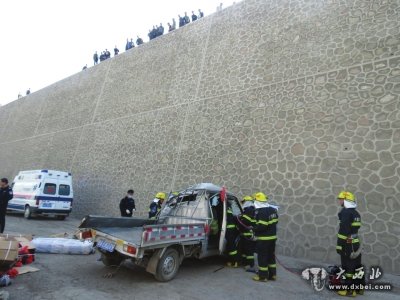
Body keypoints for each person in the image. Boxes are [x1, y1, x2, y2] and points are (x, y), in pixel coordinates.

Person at [336, 191, 364, 296]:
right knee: (357, 266)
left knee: (348, 267)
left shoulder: (346, 213)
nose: (339, 201)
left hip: (347, 244)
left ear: (346, 200)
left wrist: (339, 245)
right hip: (355, 243)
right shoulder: (356, 213)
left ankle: (349, 291)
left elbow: (343, 231)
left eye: (341, 199)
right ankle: (359, 288)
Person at [252, 192, 278, 282]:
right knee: (271, 256)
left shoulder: (262, 212)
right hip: (272, 238)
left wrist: (253, 229)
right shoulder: (272, 209)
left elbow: (262, 226)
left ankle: (263, 277)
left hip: (264, 239)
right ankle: (272, 275)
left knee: (262, 257)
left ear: (257, 201)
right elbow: (275, 222)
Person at [237, 196, 256, 271]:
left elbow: (245, 222)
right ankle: (245, 263)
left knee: (249, 250)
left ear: (247, 202)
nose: (243, 203)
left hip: (248, 234)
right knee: (245, 250)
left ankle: (250, 264)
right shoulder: (251, 209)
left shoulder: (249, 210)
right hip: (247, 234)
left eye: (244, 202)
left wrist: (239, 221)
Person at [225, 202, 239, 268]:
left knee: (231, 246)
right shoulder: (229, 209)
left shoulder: (226, 209)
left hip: (229, 231)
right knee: (230, 246)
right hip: (231, 230)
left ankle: (235, 261)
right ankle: (231, 261)